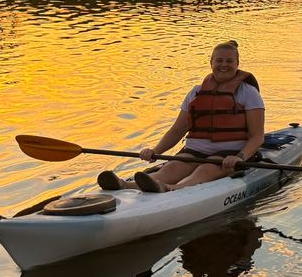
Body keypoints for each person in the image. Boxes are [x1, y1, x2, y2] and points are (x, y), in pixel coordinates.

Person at [97, 41, 266, 193]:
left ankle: (172, 189)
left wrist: (240, 157)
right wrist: (155, 151)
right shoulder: (196, 92)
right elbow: (177, 130)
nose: (224, 65)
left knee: (205, 170)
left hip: (229, 154)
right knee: (171, 169)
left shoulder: (248, 93)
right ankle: (125, 185)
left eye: (229, 61)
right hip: (194, 151)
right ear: (211, 63)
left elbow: (257, 136)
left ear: (237, 63)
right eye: (219, 61)